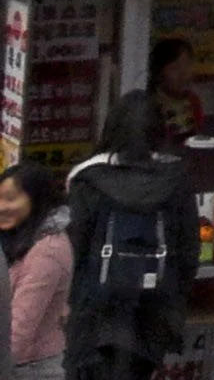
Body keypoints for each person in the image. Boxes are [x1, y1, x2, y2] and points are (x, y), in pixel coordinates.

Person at [61, 99, 199, 380]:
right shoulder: (176, 181)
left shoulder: (89, 179)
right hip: (152, 314)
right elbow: (188, 254)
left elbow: (73, 250)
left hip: (95, 313)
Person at [0, 162, 69, 380]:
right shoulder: (17, 237)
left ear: (36, 199)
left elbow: (18, 329)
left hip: (30, 369)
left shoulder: (47, 252)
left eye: (11, 199)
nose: (2, 207)